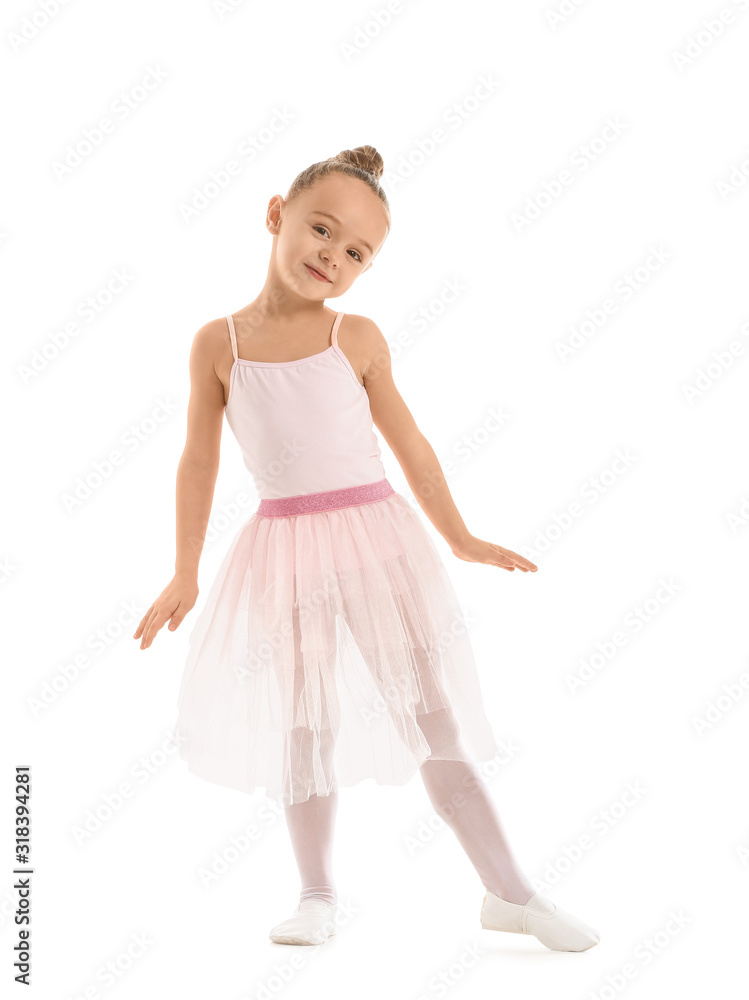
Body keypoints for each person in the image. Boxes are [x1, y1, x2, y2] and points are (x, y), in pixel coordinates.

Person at [133, 145, 599, 952]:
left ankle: (511, 893)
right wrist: (185, 570)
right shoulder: (219, 343)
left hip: (377, 543)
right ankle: (315, 895)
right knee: (302, 726)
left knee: (432, 719)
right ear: (275, 213)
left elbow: (411, 445)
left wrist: (459, 537)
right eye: (322, 230)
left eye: (356, 253)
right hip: (282, 551)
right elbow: (199, 461)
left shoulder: (356, 335)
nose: (333, 257)